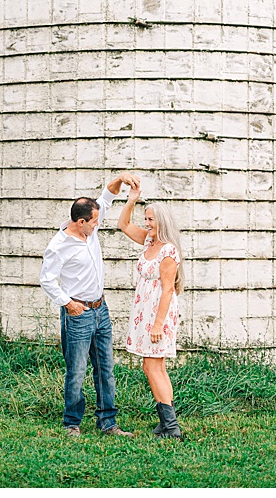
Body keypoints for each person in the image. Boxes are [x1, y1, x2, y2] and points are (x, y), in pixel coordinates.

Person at [39, 174, 139, 438]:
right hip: (79, 313)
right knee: (77, 370)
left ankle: (108, 422)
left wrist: (120, 179)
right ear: (80, 222)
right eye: (94, 223)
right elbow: (47, 280)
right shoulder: (59, 245)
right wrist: (68, 304)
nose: (98, 225)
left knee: (105, 368)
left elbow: (106, 197)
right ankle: (72, 423)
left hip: (101, 310)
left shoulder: (89, 229)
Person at [114, 184, 186, 439]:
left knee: (151, 366)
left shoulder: (168, 250)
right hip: (144, 311)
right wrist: (131, 200)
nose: (146, 223)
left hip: (158, 313)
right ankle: (167, 422)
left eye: (150, 219)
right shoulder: (148, 241)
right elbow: (123, 224)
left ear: (162, 222)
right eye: (145, 219)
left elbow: (167, 290)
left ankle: (170, 426)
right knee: (156, 366)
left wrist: (157, 325)